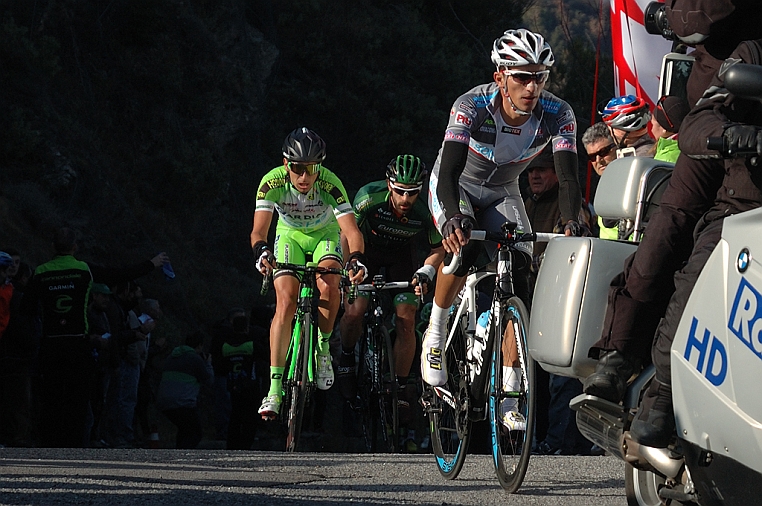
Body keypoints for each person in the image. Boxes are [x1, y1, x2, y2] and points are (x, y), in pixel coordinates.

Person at [583, 1, 762, 406]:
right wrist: (669, 16)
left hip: (743, 142)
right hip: (716, 124)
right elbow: (695, 18)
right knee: (669, 232)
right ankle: (623, 357)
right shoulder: (746, 48)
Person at [421, 28, 583, 433]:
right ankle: (436, 334)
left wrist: (572, 220)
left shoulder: (558, 113)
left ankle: (511, 389)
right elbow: (450, 173)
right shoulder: (471, 105)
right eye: (522, 77)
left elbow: (568, 179)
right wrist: (456, 217)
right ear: (500, 77)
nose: (532, 87)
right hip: (456, 183)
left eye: (540, 77)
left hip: (501, 190)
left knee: (521, 274)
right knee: (465, 249)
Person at [629, 39, 762, 448]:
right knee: (697, 283)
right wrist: (732, 135)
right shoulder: (753, 55)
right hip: (746, 209)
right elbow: (699, 119)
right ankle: (662, 398)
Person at [251, 127, 366, 419]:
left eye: (311, 169)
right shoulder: (271, 182)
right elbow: (259, 230)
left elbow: (351, 230)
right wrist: (262, 251)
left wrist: (356, 259)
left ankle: (323, 348)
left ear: (320, 166)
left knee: (329, 285)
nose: (304, 177)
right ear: (286, 164)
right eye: (298, 168)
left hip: (324, 236)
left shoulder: (330, 184)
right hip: (289, 236)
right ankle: (275, 389)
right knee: (285, 303)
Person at [336, 154, 445, 425]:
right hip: (366, 253)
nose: (406, 200)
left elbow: (437, 248)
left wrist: (426, 271)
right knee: (355, 310)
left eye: (412, 193)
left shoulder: (427, 207)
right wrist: (349, 265)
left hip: (401, 257)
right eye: (399, 192)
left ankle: (398, 386)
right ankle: (347, 357)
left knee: (406, 317)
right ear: (388, 185)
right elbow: (348, 233)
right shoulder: (368, 197)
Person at [523, 150, 593, 455]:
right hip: (527, 300)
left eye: (543, 169)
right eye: (530, 171)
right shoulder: (524, 205)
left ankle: (559, 442)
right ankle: (536, 439)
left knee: (560, 375)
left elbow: (578, 238)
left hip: (559, 301)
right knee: (533, 376)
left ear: (556, 173)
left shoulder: (569, 206)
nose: (535, 175)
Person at [156, 330, 214, 449]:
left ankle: (178, 452)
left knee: (184, 429)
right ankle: (183, 456)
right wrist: (208, 363)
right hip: (183, 403)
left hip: (164, 402)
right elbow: (209, 380)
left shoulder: (172, 356)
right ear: (199, 346)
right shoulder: (195, 359)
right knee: (195, 434)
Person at [220, 312, 263, 450]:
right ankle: (246, 445)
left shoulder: (226, 346)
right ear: (247, 328)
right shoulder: (252, 345)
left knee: (235, 416)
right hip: (250, 385)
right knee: (250, 417)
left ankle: (231, 445)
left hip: (233, 384)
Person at [582, 123, 620, 240]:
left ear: (617, 146)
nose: (598, 160)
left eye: (603, 152)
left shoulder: (630, 177)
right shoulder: (603, 183)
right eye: (592, 157)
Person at [649, 95, 691, 163]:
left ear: (664, 129)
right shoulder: (691, 146)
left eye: (653, 125)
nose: (651, 130)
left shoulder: (666, 159)